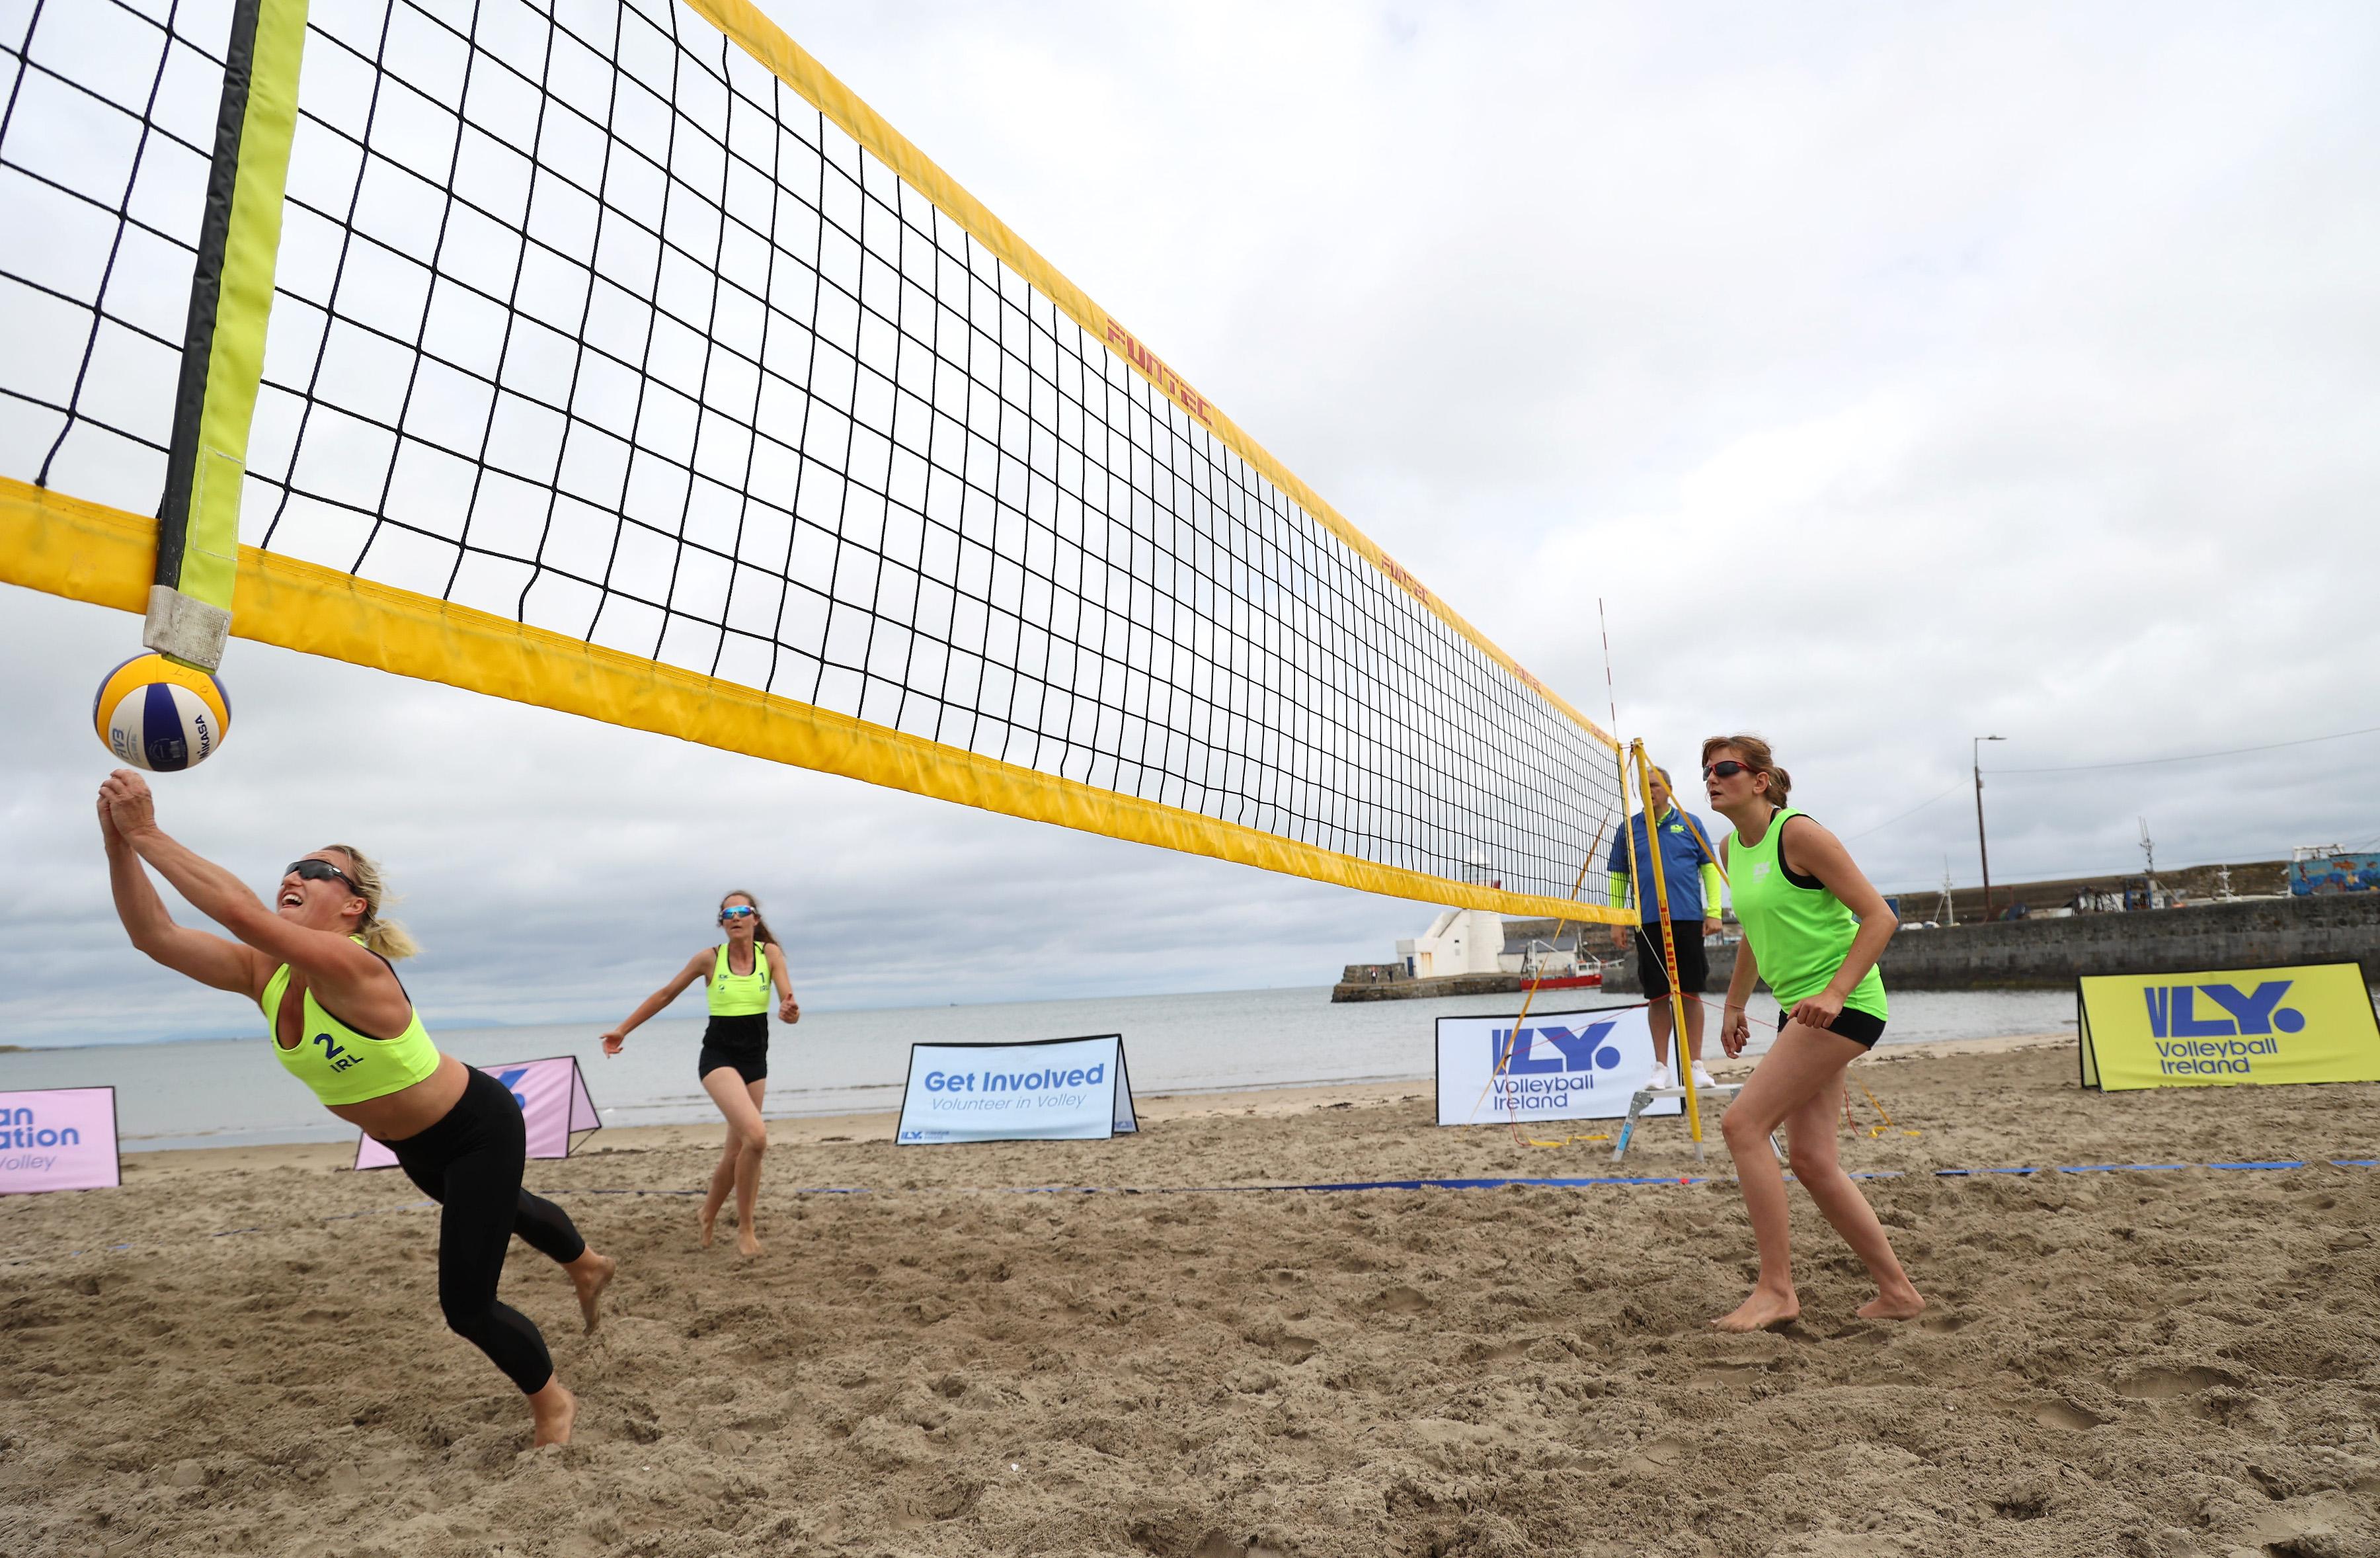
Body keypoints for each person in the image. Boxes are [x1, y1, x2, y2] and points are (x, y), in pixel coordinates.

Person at [96, 770, 614, 1447]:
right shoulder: (265, 974)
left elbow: (240, 913)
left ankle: (553, 1403)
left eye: (318, 870)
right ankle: (588, 1264)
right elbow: (154, 936)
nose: (296, 874)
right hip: (414, 1146)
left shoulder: (356, 968)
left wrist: (147, 831)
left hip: (475, 1128)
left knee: (466, 1304)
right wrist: (118, 845)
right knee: (507, 1210)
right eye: (293, 867)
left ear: (354, 908)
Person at [1700, 735, 1924, 1332]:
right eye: (1708, 770)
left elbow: (1881, 917)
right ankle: (1899, 1293)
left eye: (1725, 768)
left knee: (1742, 1124)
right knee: (1811, 1158)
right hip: (1799, 1010)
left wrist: (1835, 992)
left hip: (1843, 1005)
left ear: (1762, 780)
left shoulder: (1800, 835)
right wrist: (1734, 1002)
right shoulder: (1730, 846)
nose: (1712, 778)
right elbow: (1755, 928)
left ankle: (1776, 1290)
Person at [600, 892, 799, 1255]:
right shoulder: (709, 959)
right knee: (756, 1138)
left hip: (756, 1061)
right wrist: (622, 1030)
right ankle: (746, 1230)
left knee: (737, 1151)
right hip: (718, 1058)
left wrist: (790, 1009)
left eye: (742, 911)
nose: (735, 917)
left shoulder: (769, 954)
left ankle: (707, 1213)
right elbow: (665, 994)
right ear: (722, 922)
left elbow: (787, 996)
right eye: (727, 913)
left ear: (755, 919)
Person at [1607, 764, 1727, 1092]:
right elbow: (1618, 877)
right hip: (1647, 921)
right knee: (1658, 994)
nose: (1650, 790)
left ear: (1669, 789)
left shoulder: (1689, 823)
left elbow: (1709, 869)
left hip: (1686, 916)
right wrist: (1618, 919)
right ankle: (1661, 1067)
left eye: (1656, 785)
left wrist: (1713, 912)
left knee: (1690, 991)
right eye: (1644, 786)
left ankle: (1696, 1065)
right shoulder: (1629, 830)